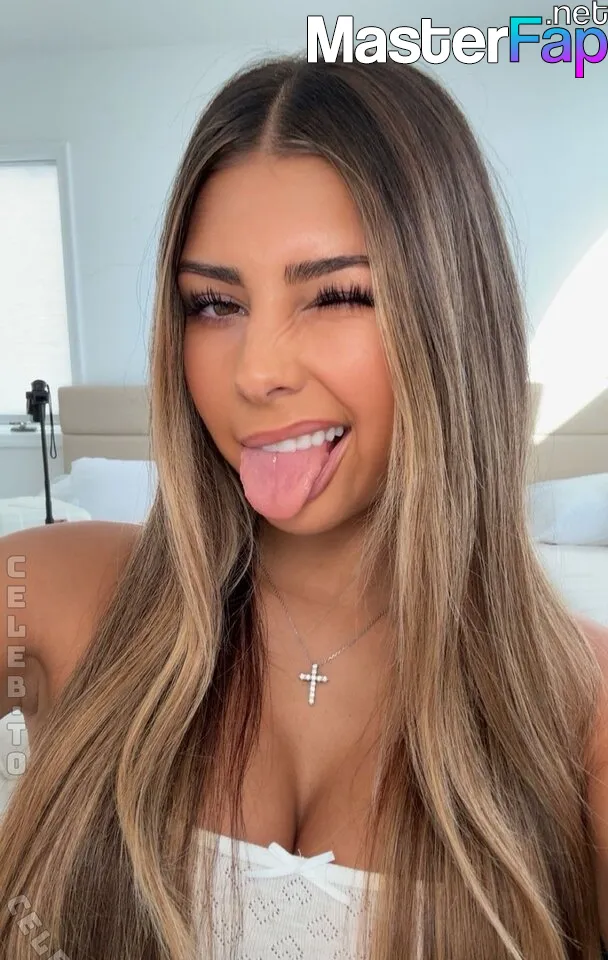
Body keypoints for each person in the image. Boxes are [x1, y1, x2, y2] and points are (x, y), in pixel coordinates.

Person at [1, 51, 608, 960]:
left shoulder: (582, 708)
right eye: (215, 304)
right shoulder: (46, 589)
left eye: (336, 295)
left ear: (451, 319)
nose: (256, 372)